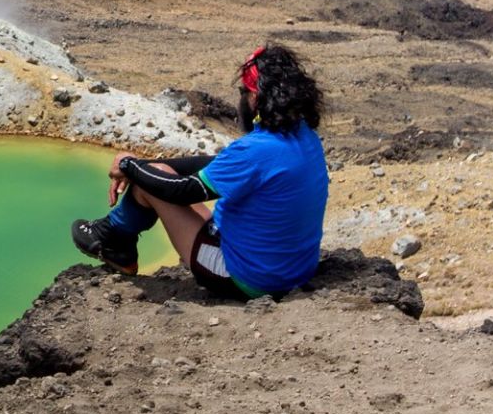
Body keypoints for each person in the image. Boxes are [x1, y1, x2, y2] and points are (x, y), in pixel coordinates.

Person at [72, 44, 329, 300]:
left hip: (247, 278)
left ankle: (113, 241)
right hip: (295, 271)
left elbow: (181, 192)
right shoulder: (304, 137)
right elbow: (220, 163)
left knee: (147, 184)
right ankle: (114, 239)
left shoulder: (255, 150)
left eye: (243, 91)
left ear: (255, 97)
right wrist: (146, 166)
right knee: (156, 173)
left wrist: (129, 165)